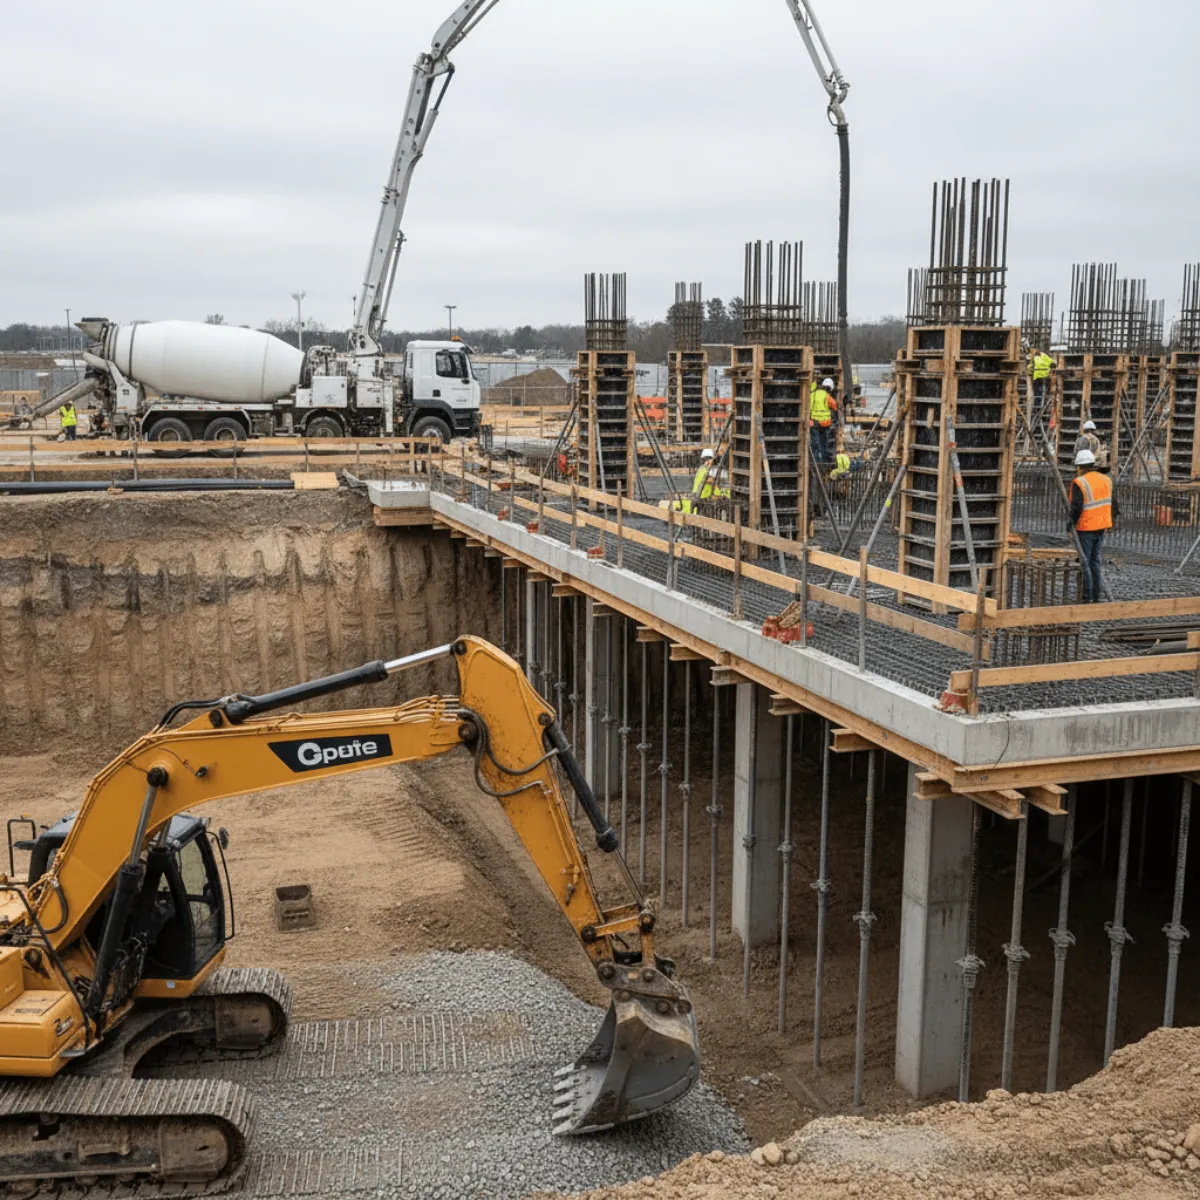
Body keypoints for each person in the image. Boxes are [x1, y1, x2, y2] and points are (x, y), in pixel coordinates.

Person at [1069, 448, 1118, 602]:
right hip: (1102, 527)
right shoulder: (1106, 480)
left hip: (1086, 528)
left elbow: (1076, 507)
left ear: (1080, 467)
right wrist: (1111, 523)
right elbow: (1114, 505)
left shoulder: (1080, 482)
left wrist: (1070, 526)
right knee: (1095, 561)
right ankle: (1096, 596)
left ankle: (1087, 596)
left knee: (1086, 563)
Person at [809, 377, 837, 464]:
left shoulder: (812, 395)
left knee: (815, 442)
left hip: (813, 423)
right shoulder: (827, 396)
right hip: (824, 424)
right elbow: (835, 406)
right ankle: (823, 460)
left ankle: (815, 460)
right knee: (824, 442)